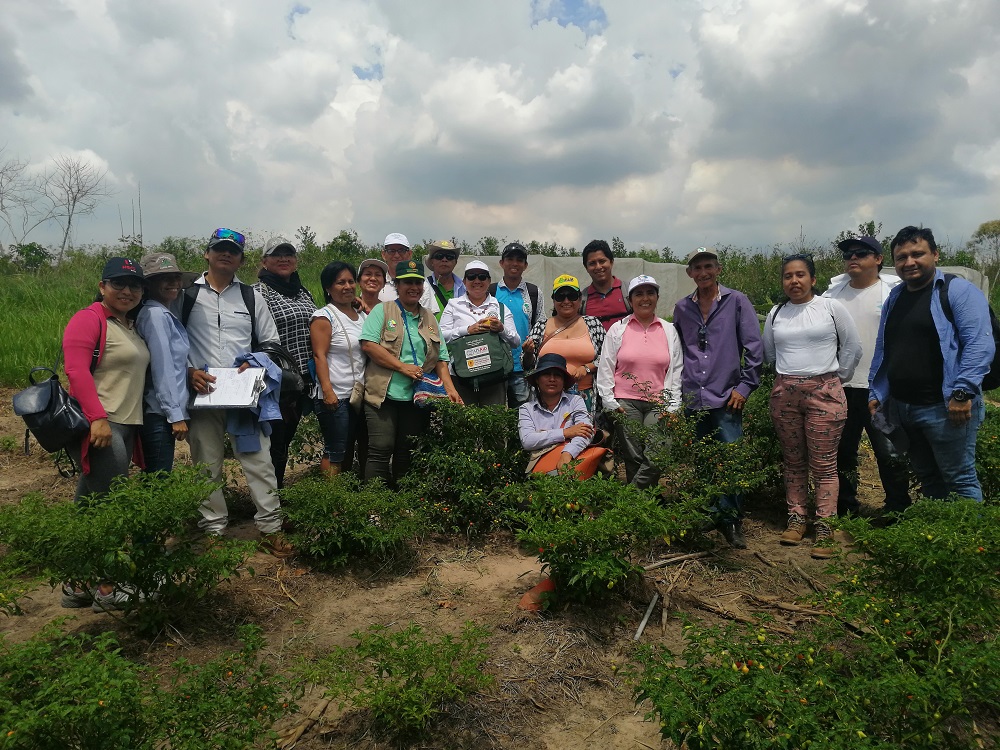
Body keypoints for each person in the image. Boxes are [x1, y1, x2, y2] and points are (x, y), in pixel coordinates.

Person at [185, 228, 292, 558]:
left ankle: (270, 530)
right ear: (207, 253)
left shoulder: (250, 297)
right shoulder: (187, 296)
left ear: (242, 260)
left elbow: (271, 342)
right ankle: (214, 533)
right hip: (202, 394)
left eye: (232, 251)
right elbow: (173, 345)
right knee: (207, 464)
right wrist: (189, 372)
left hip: (244, 394)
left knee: (259, 461)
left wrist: (255, 363)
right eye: (219, 248)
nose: (225, 254)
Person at [869, 226, 995, 502]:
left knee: (959, 479)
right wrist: (877, 392)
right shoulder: (896, 297)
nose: (909, 262)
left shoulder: (957, 291)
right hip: (905, 409)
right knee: (928, 478)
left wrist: (963, 393)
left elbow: (980, 344)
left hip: (946, 408)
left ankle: (969, 544)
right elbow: (885, 348)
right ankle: (939, 532)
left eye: (918, 254)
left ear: (935, 255)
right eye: (901, 257)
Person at [61, 257, 151, 610]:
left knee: (89, 503)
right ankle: (107, 587)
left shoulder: (128, 324)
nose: (127, 291)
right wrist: (97, 418)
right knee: (111, 506)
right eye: (118, 284)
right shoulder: (89, 318)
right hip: (102, 425)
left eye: (135, 286)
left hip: (125, 424)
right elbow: (76, 371)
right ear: (102, 287)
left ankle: (77, 583)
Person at [763, 253, 862, 558]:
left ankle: (825, 525)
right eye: (788, 276)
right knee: (793, 461)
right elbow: (769, 352)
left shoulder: (831, 308)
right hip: (785, 392)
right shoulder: (776, 313)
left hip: (825, 392)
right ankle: (796, 519)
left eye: (800, 275)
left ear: (813, 279)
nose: (794, 281)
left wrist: (833, 378)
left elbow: (853, 347)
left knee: (824, 464)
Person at [673, 247, 763, 548]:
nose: (703, 272)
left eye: (708, 266)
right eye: (697, 268)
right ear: (689, 273)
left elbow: (754, 347)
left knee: (730, 457)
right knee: (704, 459)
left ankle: (732, 518)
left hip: (726, 395)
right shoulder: (682, 308)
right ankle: (712, 512)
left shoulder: (736, 301)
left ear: (718, 269)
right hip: (694, 397)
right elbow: (679, 350)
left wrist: (745, 387)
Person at [823, 236, 911, 517]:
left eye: (861, 253)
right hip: (842, 387)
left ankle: (897, 508)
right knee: (842, 451)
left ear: (878, 259)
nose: (853, 258)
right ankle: (846, 507)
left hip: (881, 389)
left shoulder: (893, 293)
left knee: (889, 453)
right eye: (848, 254)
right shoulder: (832, 297)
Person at [360, 259, 463, 485]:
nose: (413, 287)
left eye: (417, 282)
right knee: (381, 448)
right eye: (407, 282)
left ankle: (404, 504)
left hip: (417, 397)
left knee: (408, 450)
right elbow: (368, 345)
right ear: (397, 285)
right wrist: (402, 367)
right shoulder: (383, 310)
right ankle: (375, 506)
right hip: (384, 395)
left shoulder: (429, 317)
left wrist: (450, 389)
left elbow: (441, 358)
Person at [596, 275, 683, 489]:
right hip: (626, 402)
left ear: (657, 297)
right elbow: (606, 365)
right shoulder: (618, 329)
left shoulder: (668, 329)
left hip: (659, 402)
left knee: (658, 452)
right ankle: (647, 506)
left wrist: (673, 405)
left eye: (650, 293)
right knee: (633, 455)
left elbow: (676, 369)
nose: (645, 298)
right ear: (630, 299)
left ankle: (632, 498)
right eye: (639, 294)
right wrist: (609, 401)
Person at [253, 237, 317, 489]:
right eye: (276, 254)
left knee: (284, 441)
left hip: (301, 381)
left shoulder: (303, 292)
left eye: (288, 254)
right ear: (264, 262)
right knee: (275, 442)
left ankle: (274, 495)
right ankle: (271, 500)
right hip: (275, 383)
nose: (283, 259)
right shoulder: (258, 292)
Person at [136, 252, 199, 474]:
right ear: (149, 284)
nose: (173, 283)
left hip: (161, 412)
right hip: (159, 413)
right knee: (157, 478)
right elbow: (162, 367)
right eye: (164, 278)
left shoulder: (165, 312)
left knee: (157, 474)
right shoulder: (155, 316)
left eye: (175, 277)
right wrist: (175, 415)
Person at [439, 260, 521, 406]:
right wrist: (467, 330)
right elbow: (441, 338)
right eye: (471, 277)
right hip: (461, 375)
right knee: (462, 422)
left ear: (489, 281)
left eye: (482, 277)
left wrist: (501, 329)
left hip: (494, 376)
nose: (477, 280)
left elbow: (516, 342)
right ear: (464, 281)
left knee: (493, 422)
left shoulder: (500, 307)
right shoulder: (453, 305)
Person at [311, 261, 366, 478]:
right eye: (340, 282)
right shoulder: (324, 316)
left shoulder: (360, 314)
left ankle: (345, 496)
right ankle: (331, 504)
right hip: (336, 395)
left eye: (351, 281)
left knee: (349, 448)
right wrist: (328, 391)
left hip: (358, 394)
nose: (347, 286)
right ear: (328, 288)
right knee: (335, 451)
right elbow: (319, 355)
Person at [526, 275, 605, 413]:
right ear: (554, 300)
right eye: (560, 296)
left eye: (572, 296)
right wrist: (528, 353)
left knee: (583, 432)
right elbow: (528, 365)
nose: (566, 301)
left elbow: (607, 357)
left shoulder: (593, 324)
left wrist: (586, 368)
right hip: (548, 398)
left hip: (585, 396)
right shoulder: (541, 326)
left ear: (580, 299)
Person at [518, 353, 596, 473]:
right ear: (537, 380)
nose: (552, 379)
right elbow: (528, 441)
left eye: (557, 375)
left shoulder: (575, 401)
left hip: (572, 463)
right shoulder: (527, 409)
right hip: (542, 468)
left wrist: (568, 453)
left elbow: (586, 432)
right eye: (546, 374)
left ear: (564, 381)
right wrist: (566, 432)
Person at [491, 242, 543, 407]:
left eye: (519, 260)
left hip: (522, 368)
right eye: (510, 259)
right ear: (501, 263)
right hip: (495, 366)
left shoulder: (534, 293)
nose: (514, 263)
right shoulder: (490, 292)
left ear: (525, 265)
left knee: (522, 416)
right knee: (494, 414)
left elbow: (541, 325)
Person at [377, 232, 439, 314]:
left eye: (401, 250)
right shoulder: (376, 283)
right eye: (391, 251)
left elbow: (429, 318)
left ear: (410, 254)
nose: (396, 255)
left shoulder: (424, 286)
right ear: (383, 254)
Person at [580, 239, 631, 331]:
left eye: (602, 261)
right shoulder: (581, 300)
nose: (598, 267)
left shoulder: (629, 292)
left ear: (611, 262)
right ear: (586, 268)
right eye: (592, 263)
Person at [425, 239, 465, 320]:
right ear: (432, 261)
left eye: (449, 257)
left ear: (455, 262)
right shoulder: (422, 287)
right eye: (439, 256)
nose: (444, 260)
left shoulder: (466, 287)